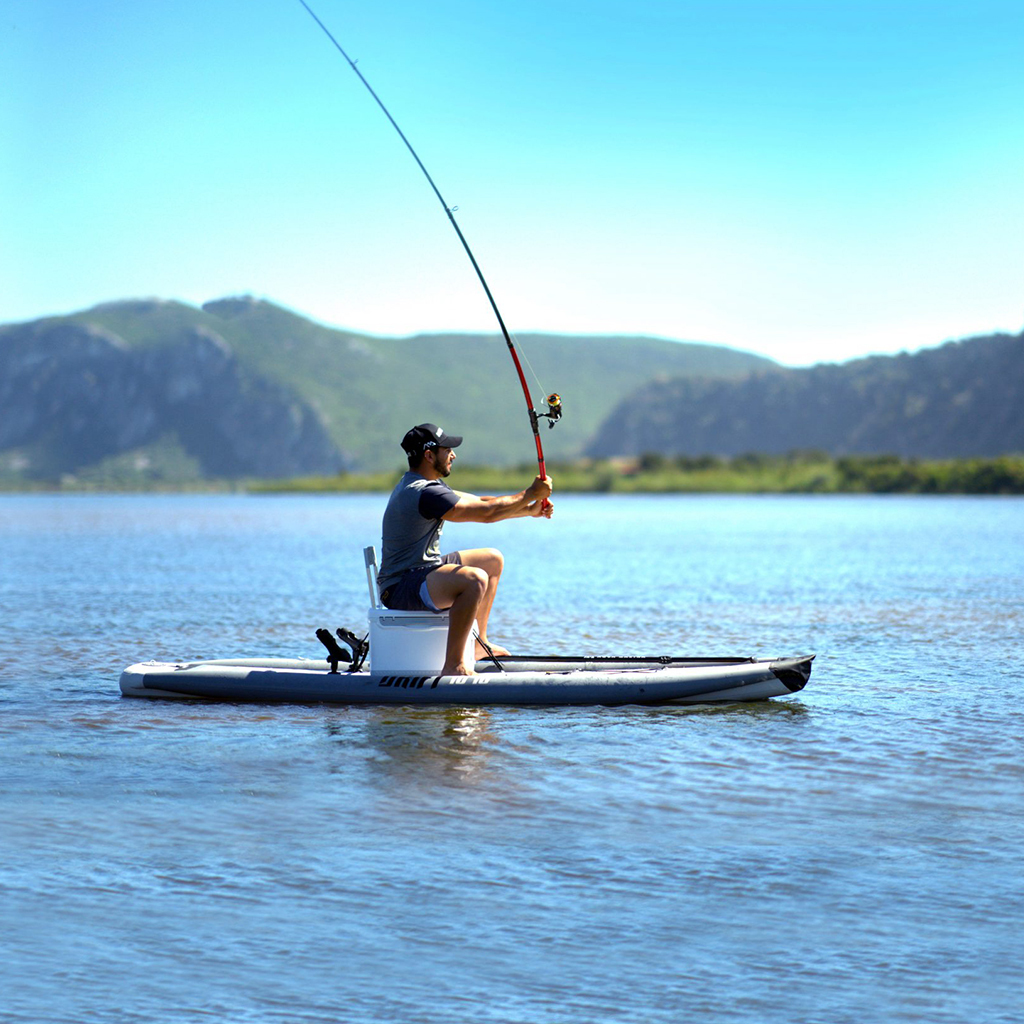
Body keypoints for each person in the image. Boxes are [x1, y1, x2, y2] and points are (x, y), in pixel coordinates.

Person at [377, 423, 553, 676]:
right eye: (447, 449)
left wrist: (528, 509)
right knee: (474, 579)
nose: (453, 455)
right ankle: (454, 665)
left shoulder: (427, 484)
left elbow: (483, 502)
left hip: (420, 571)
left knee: (491, 560)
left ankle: (478, 643)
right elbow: (487, 515)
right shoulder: (424, 492)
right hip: (399, 586)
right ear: (429, 455)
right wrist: (529, 494)